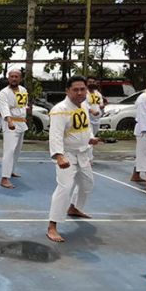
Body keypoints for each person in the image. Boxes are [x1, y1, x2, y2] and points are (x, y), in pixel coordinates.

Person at [45, 76, 101, 242]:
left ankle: (74, 207)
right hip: (67, 154)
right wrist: (59, 156)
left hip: (83, 153)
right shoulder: (59, 109)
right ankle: (52, 226)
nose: (79, 92)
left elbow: (86, 127)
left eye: (82, 89)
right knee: (65, 187)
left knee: (87, 184)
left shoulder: (84, 105)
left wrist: (91, 138)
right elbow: (55, 135)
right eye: (75, 89)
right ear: (67, 91)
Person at [0, 69, 30, 189]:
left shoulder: (23, 90)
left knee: (17, 150)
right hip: (10, 123)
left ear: (20, 78)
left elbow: (23, 106)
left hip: (21, 123)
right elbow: (4, 108)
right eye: (12, 76)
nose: (14, 78)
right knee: (9, 150)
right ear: (8, 78)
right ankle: (4, 178)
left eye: (16, 76)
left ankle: (11, 170)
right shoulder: (3, 93)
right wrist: (9, 120)